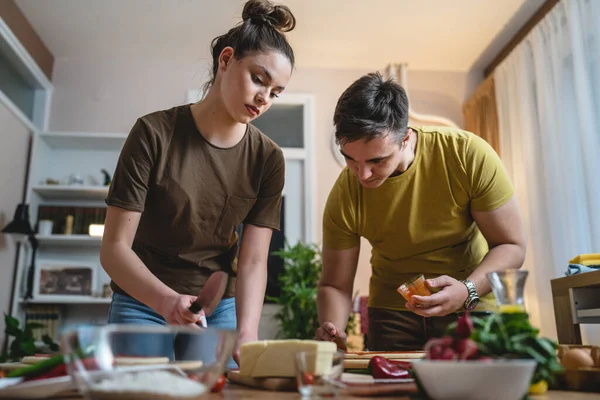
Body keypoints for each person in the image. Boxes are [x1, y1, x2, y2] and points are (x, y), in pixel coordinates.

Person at [99, 0, 296, 366]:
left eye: (276, 92)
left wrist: (247, 332)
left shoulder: (268, 159)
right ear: (226, 60)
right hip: (141, 300)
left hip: (218, 308)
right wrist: (165, 302)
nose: (264, 99)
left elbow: (253, 261)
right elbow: (114, 248)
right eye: (259, 79)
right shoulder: (152, 133)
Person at [314, 72, 527, 351]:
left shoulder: (467, 154)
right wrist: (334, 331)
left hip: (472, 307)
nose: (362, 174)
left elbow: (511, 246)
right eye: (350, 159)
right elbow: (335, 284)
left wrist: (466, 290)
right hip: (392, 317)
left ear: (405, 138)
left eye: (377, 160)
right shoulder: (345, 192)